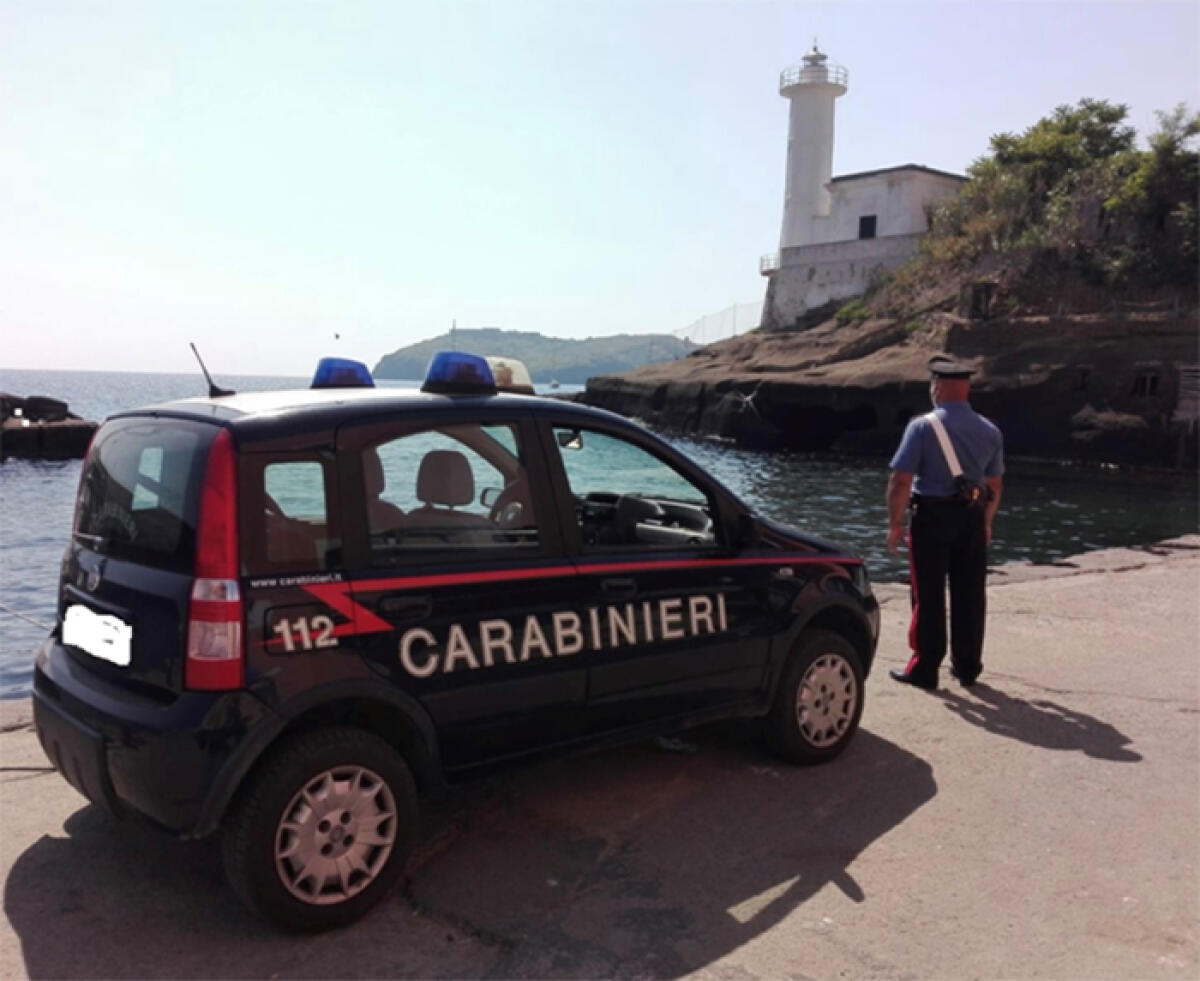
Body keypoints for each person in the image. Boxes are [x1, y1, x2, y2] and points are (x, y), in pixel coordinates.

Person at [886, 355, 1004, 690]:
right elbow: (995, 485)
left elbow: (901, 480)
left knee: (928, 593)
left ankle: (925, 668)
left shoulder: (922, 427)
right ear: (966, 389)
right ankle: (967, 666)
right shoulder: (990, 430)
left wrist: (895, 524)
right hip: (972, 515)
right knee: (970, 592)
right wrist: (986, 521)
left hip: (932, 516)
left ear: (937, 387)